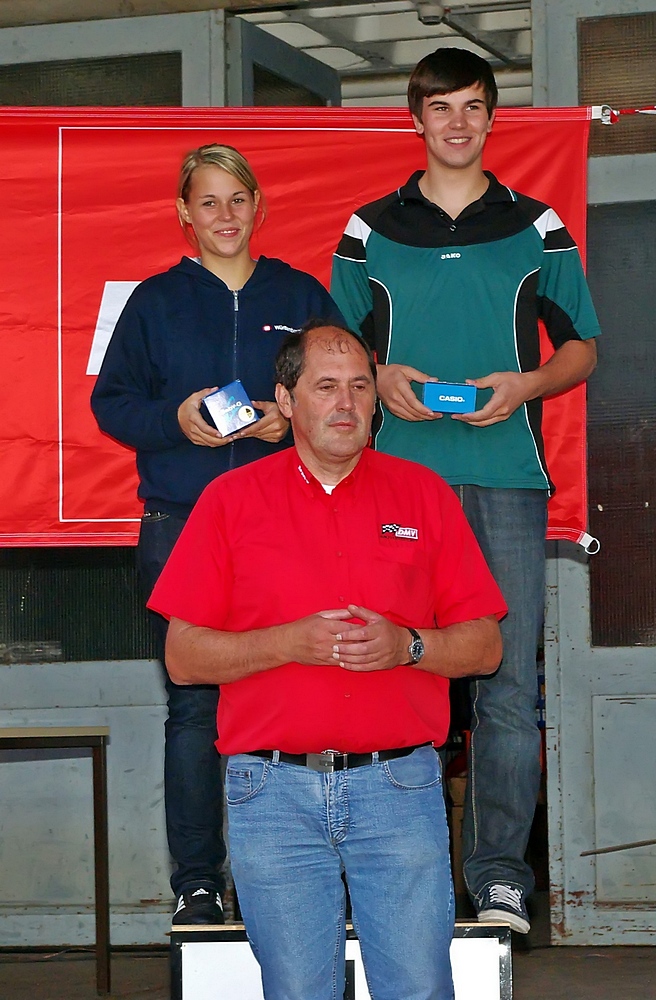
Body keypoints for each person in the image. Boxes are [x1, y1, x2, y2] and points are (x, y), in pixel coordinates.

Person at [148, 322, 507, 1000]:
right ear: (285, 401)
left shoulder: (424, 495)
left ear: (376, 400)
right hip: (271, 793)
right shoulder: (229, 502)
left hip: (399, 789)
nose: (345, 404)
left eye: (359, 387)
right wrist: (287, 643)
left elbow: (486, 645)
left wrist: (410, 646)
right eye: (324, 387)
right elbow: (184, 657)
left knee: (419, 990)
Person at [330, 48, 601, 934]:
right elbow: (336, 357)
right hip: (394, 480)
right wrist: (379, 372)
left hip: (506, 480)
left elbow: (582, 348)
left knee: (507, 687)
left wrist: (525, 386)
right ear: (415, 118)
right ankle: (392, 878)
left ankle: (499, 884)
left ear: (492, 119)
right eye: (439, 107)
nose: (456, 122)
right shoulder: (367, 228)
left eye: (472, 108)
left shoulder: (540, 223)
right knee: (389, 675)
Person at [91, 143, 341, 925]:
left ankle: (298, 880)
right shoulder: (153, 302)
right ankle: (197, 884)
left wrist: (288, 418)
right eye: (209, 202)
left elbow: (343, 399)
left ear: (257, 206)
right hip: (183, 526)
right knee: (195, 710)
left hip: (287, 525)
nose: (225, 216)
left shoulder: (301, 294)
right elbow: (111, 405)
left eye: (238, 199)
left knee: (295, 696)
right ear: (183, 213)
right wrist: (173, 420)